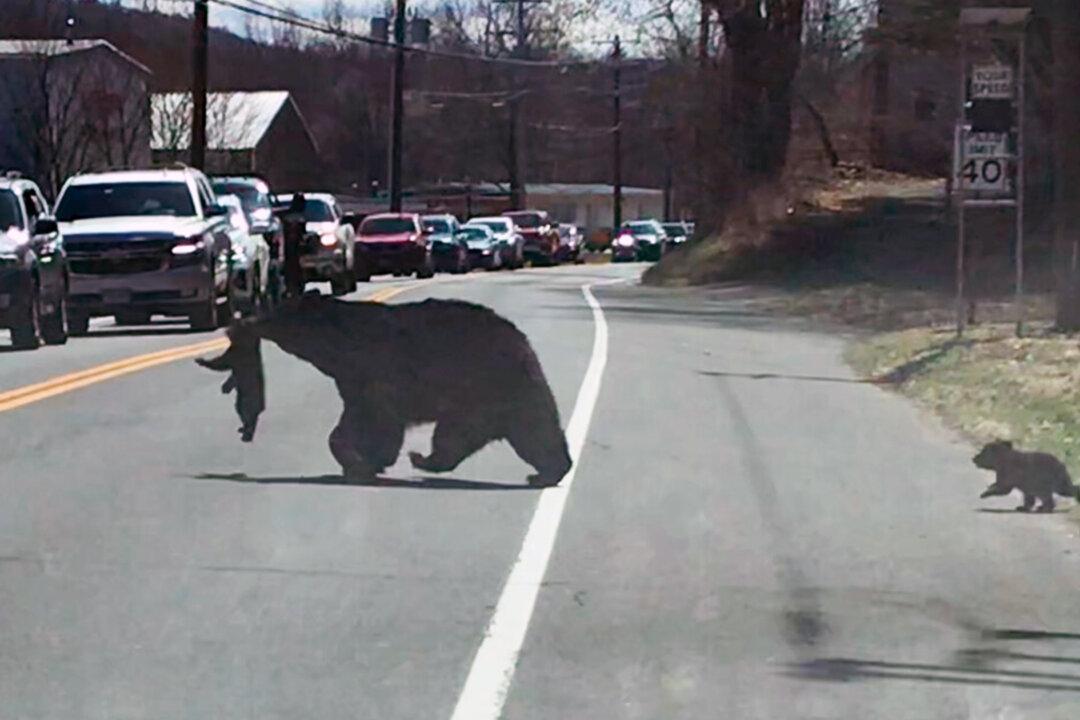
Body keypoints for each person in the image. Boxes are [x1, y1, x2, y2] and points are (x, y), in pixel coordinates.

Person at [281, 193, 306, 298]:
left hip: (289, 247)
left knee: (290, 267)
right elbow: (302, 234)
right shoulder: (300, 218)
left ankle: (291, 287)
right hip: (292, 247)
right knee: (294, 267)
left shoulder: (287, 217)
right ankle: (294, 287)